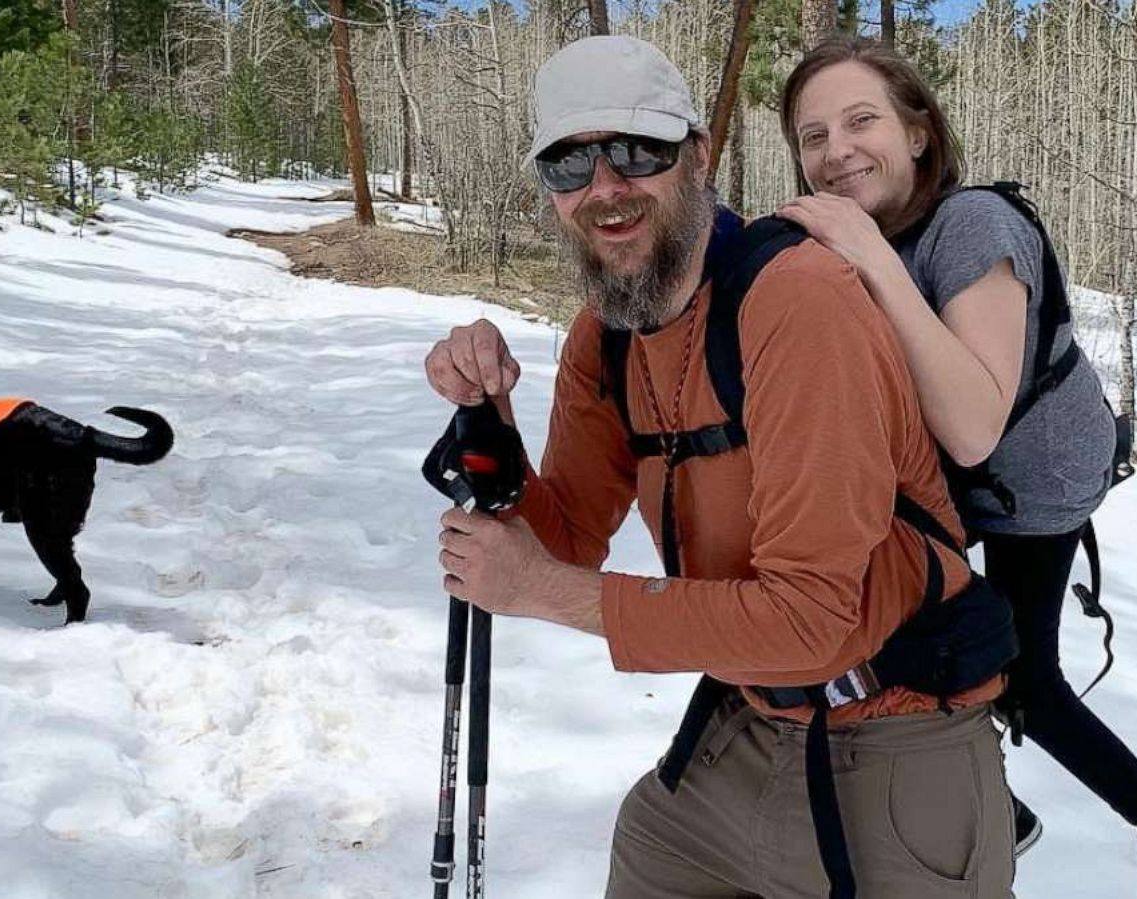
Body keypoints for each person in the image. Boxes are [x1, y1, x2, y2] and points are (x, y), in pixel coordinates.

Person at [423, 34, 1015, 899]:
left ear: (698, 157)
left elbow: (814, 620)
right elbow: (567, 536)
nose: (606, 189)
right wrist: (493, 419)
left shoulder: (797, 305)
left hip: (898, 743)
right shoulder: (606, 334)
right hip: (745, 735)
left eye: (637, 151)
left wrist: (543, 592)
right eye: (569, 165)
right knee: (651, 844)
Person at [775, 36, 1137, 899]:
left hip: (1035, 480)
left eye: (862, 121)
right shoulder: (867, 238)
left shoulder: (973, 224)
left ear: (920, 133)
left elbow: (972, 424)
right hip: (955, 482)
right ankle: (996, 805)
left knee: (1023, 681)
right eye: (812, 135)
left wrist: (858, 250)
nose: (836, 151)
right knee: (869, 610)